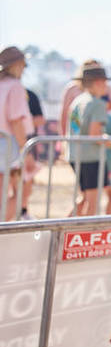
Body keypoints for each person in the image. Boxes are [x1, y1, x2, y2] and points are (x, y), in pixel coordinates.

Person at [67, 61, 111, 216]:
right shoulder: (97, 104)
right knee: (92, 204)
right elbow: (95, 135)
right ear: (98, 82)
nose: (106, 86)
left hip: (75, 155)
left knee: (84, 198)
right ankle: (84, 234)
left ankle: (62, 229)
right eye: (105, 82)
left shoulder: (78, 101)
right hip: (91, 158)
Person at [0, 46, 34, 221]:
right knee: (23, 189)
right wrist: (25, 150)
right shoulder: (15, 86)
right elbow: (16, 120)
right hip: (10, 145)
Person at [20, 87, 46, 219]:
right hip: (18, 147)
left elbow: (40, 119)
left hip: (26, 145)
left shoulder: (30, 95)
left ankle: (23, 211)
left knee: (26, 182)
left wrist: (23, 121)